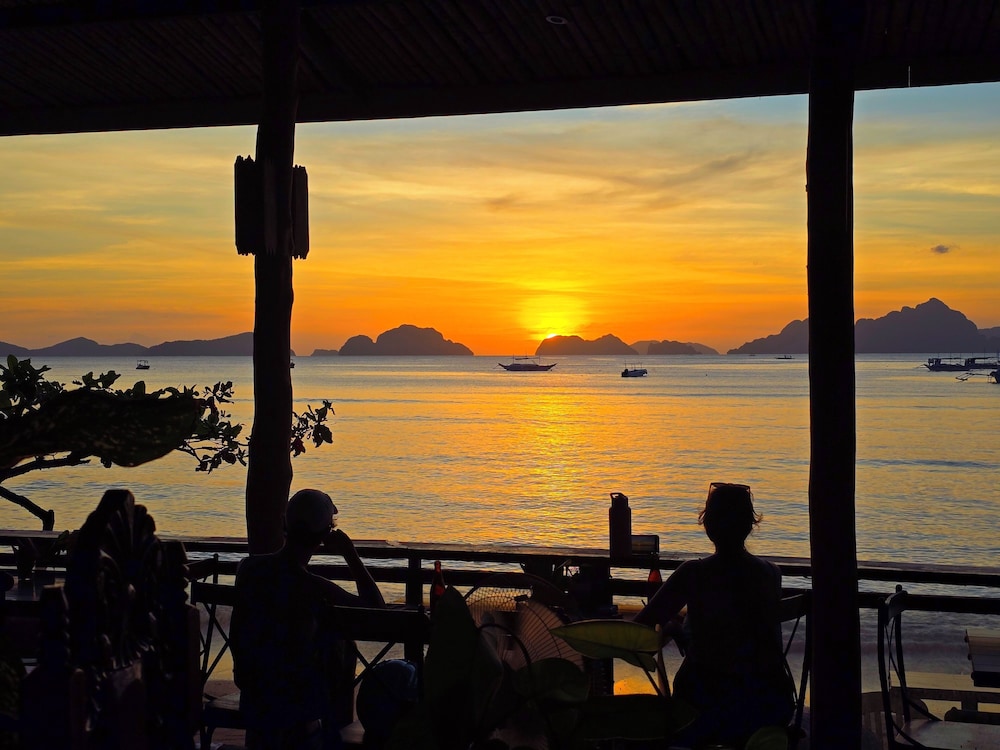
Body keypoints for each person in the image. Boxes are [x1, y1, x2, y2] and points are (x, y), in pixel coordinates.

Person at [635, 483, 794, 748]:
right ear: (749, 525)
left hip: (705, 706)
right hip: (766, 703)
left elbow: (640, 627)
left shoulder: (694, 574)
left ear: (708, 525)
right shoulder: (771, 573)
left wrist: (672, 628)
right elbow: (740, 627)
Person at [231, 488, 386, 750]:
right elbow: (377, 612)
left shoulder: (247, 569)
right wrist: (350, 554)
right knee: (341, 647)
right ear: (325, 536)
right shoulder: (313, 587)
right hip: (299, 708)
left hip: (254, 696)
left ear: (284, 524)